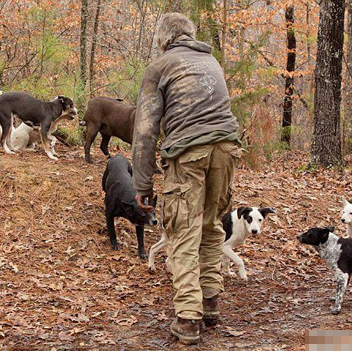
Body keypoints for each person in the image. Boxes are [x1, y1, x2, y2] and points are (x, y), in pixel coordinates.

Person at [131, 13, 241, 345]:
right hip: (226, 149)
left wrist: (142, 183)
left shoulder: (160, 67)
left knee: (182, 231)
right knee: (210, 225)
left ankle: (188, 318)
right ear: (189, 36)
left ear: (163, 41)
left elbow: (145, 129)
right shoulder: (211, 61)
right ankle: (209, 303)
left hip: (188, 155)